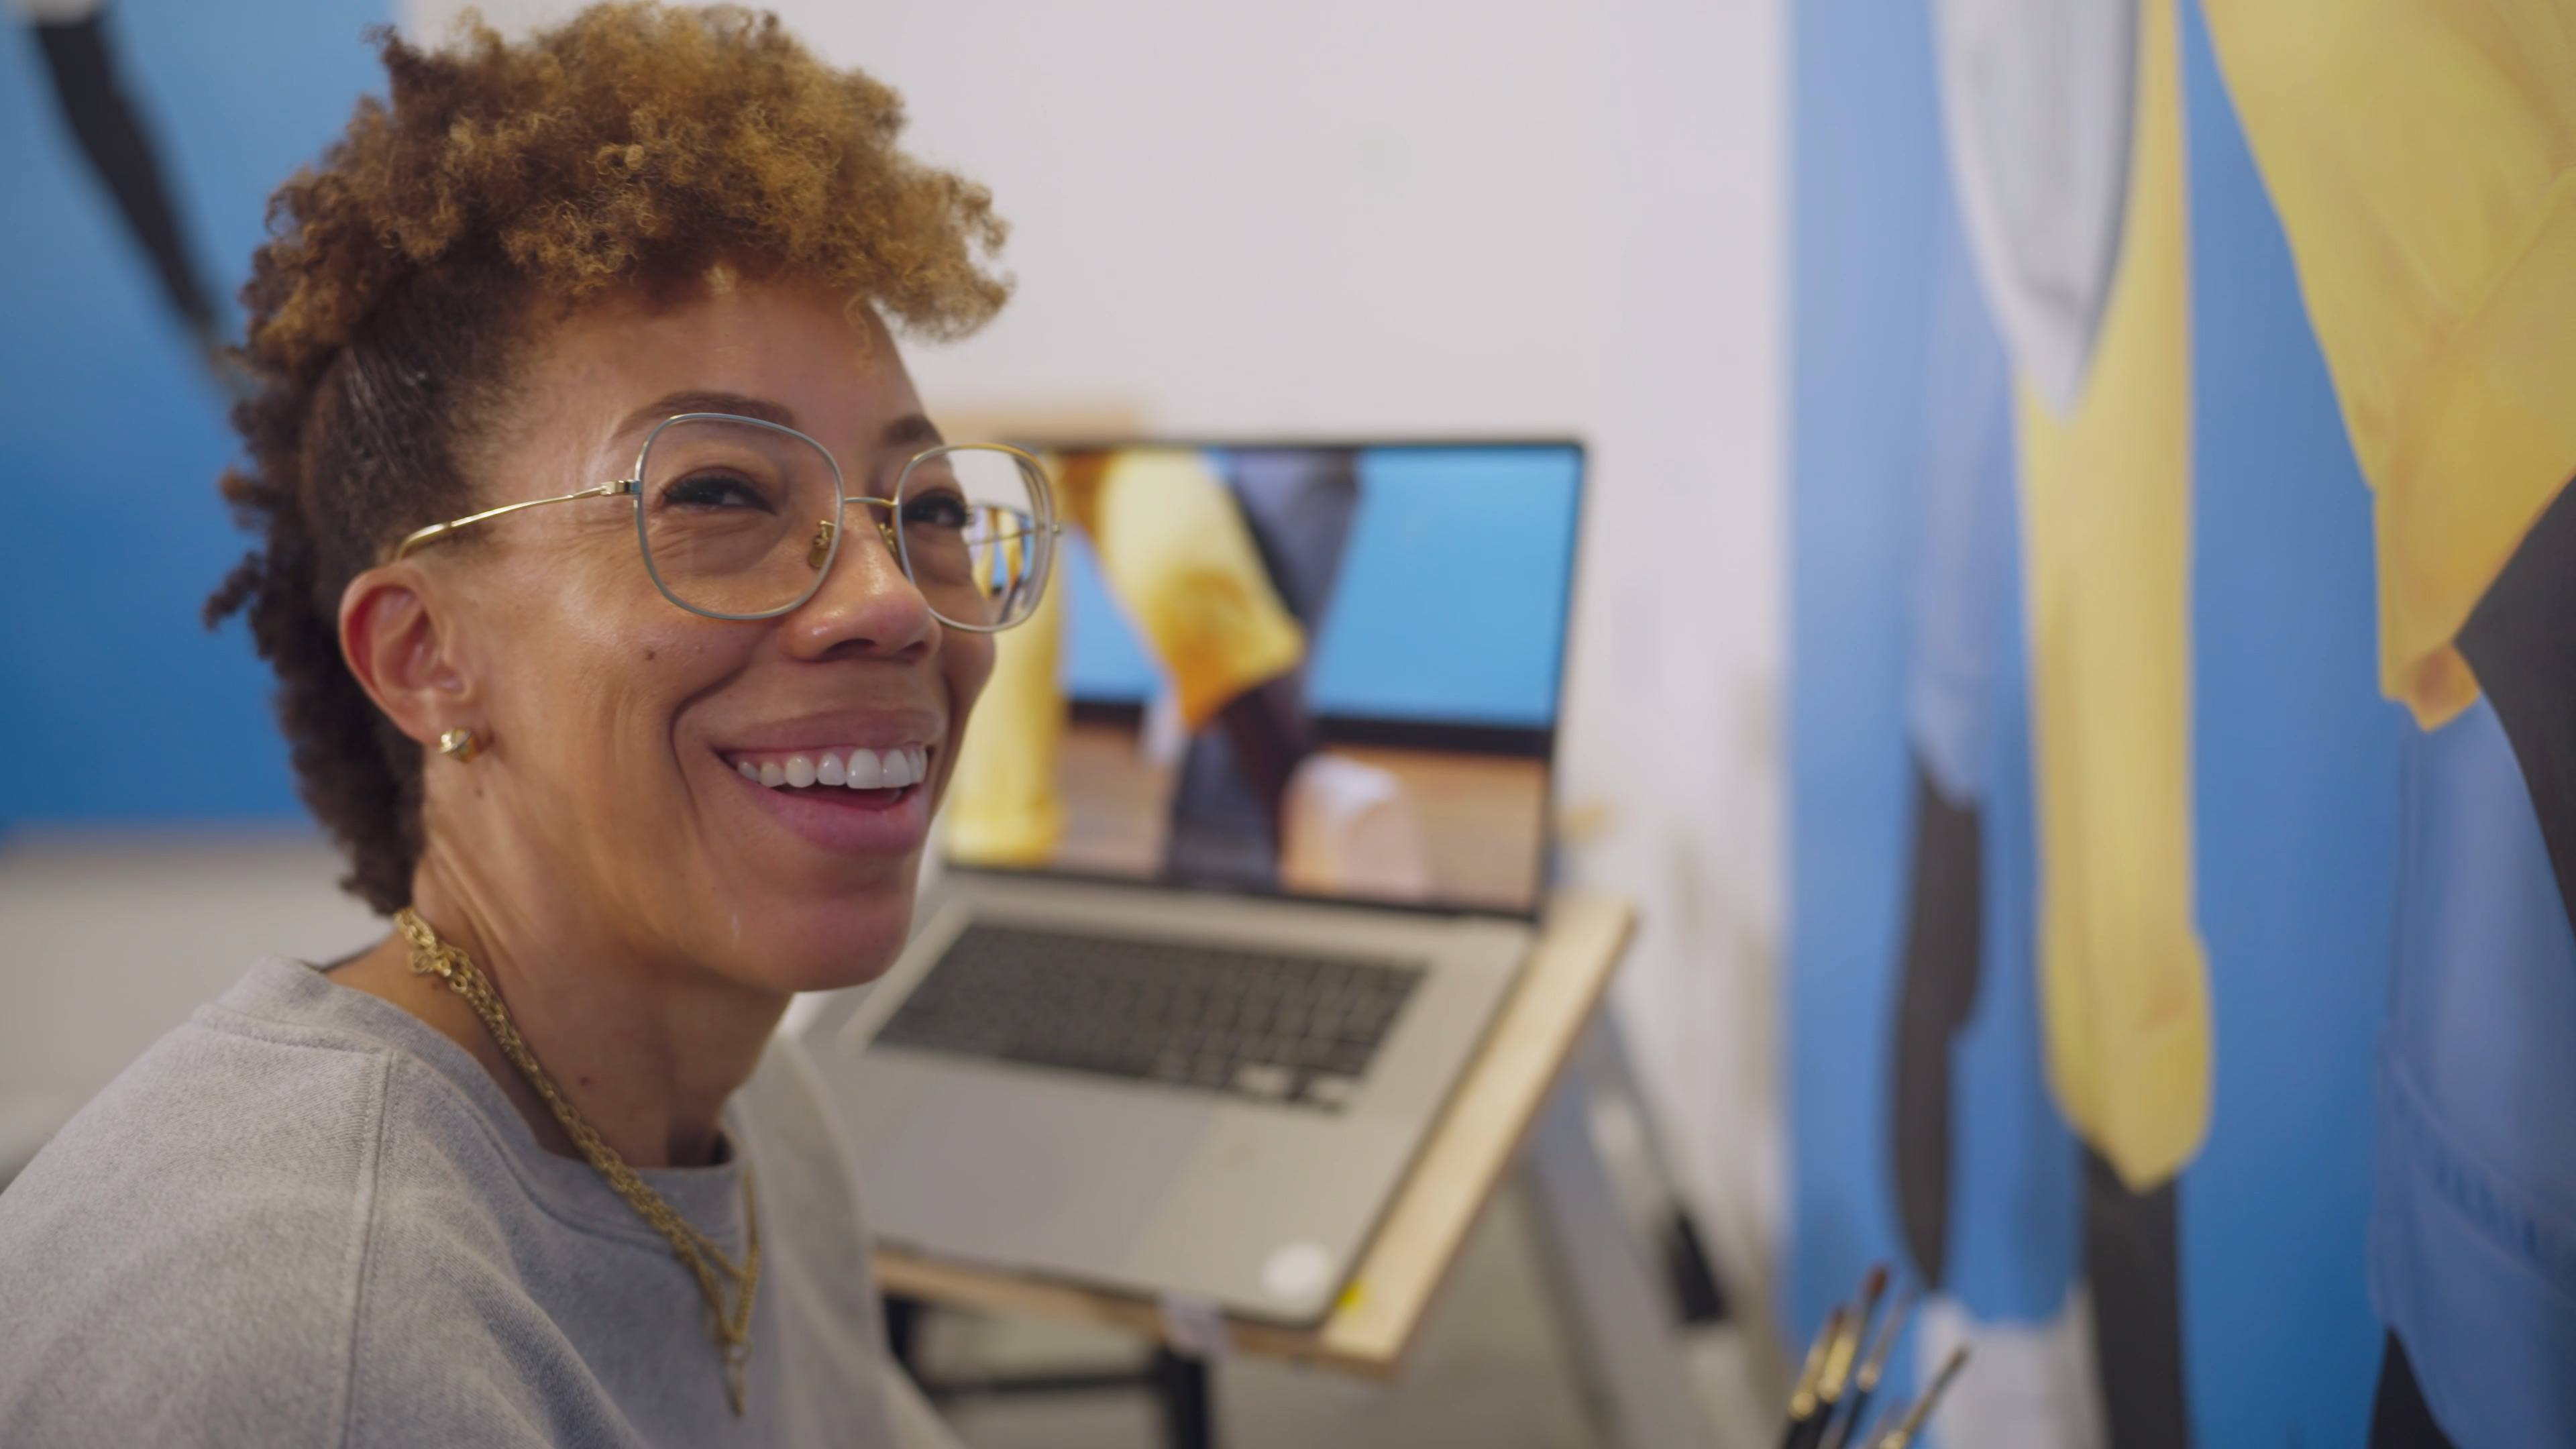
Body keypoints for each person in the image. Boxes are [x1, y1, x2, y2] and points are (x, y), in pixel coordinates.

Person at [0, 6, 1051, 1445]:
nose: (891, 604)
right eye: (720, 496)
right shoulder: (327, 1345)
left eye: (926, 508)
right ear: (426, 657)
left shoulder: (757, 1125)